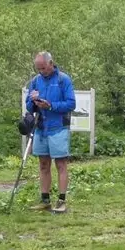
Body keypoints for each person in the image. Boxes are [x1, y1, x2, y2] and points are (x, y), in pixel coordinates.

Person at [26, 52, 76, 212]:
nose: (41, 71)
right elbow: (29, 107)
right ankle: (45, 200)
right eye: (38, 69)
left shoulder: (63, 79)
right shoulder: (35, 81)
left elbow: (71, 104)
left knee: (61, 164)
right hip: (41, 128)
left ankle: (61, 201)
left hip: (58, 128)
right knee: (43, 164)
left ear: (51, 63)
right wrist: (32, 101)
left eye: (43, 68)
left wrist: (51, 106)